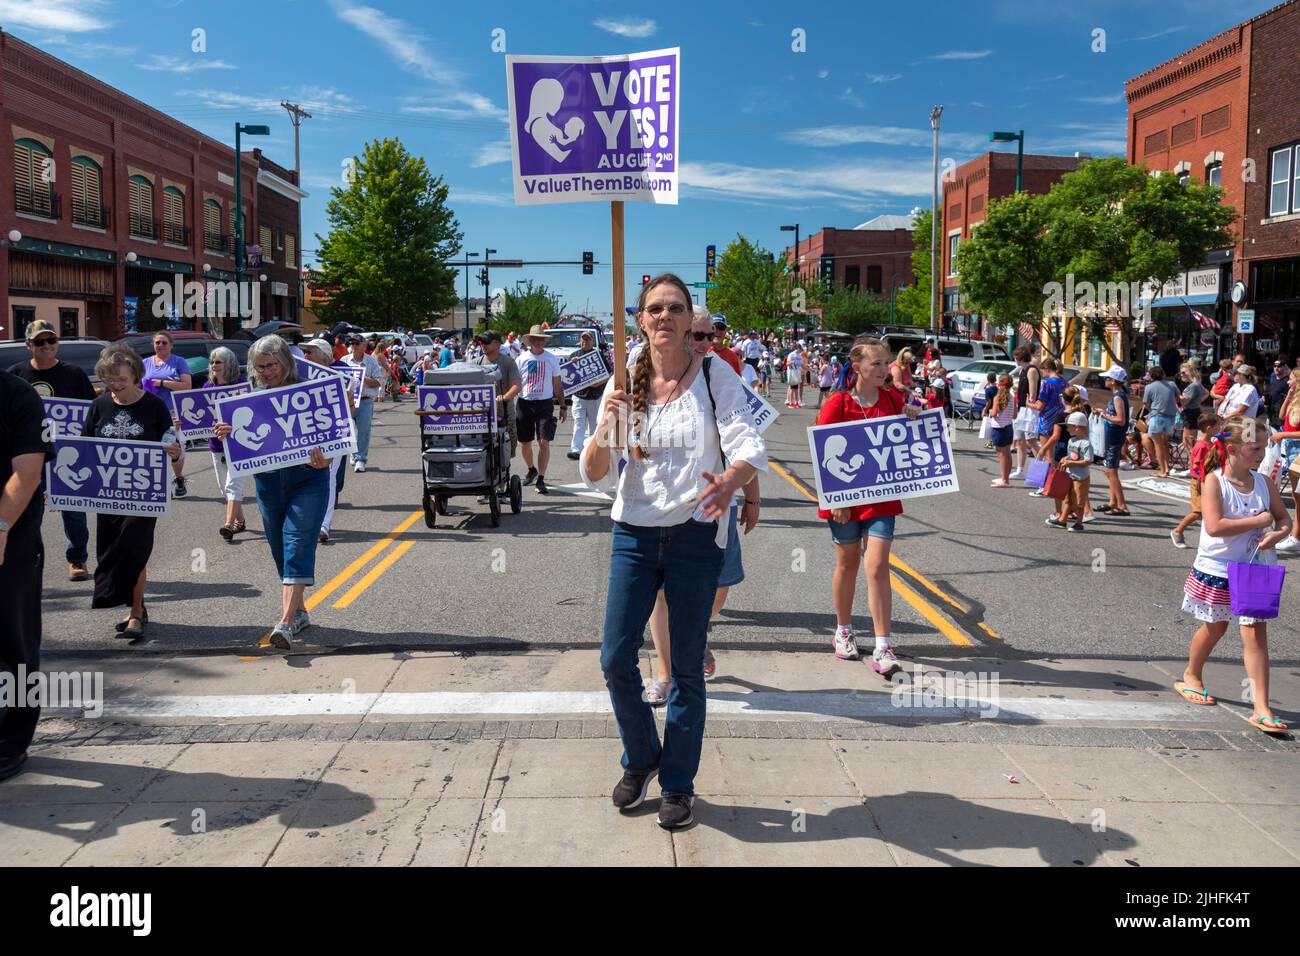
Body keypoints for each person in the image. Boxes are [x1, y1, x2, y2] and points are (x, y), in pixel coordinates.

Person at [581, 273, 766, 831]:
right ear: (641, 318)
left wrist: (731, 482)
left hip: (693, 534)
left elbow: (749, 442)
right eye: (654, 308)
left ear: (690, 320)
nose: (664, 316)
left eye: (675, 308)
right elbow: (593, 474)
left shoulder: (715, 373)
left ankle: (678, 785)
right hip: (633, 534)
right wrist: (603, 429)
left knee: (686, 668)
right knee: (615, 659)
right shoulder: (625, 380)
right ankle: (641, 759)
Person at [644, 313, 764, 701]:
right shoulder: (644, 370)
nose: (704, 341)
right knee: (660, 595)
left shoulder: (721, 372)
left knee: (721, 582)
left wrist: (751, 494)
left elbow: (743, 441)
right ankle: (666, 673)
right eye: (697, 334)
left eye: (709, 335)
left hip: (712, 507)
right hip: (660, 507)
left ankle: (698, 631)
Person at [1174, 417, 1290, 734]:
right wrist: (1258, 523)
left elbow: (1284, 521)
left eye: (1264, 447)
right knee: (1215, 628)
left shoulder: (1264, 482)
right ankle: (1192, 674)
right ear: (1234, 449)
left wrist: (1275, 534)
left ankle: (1261, 708)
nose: (1262, 454)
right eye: (1256, 448)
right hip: (1219, 569)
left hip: (1254, 568)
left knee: (1255, 634)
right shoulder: (1215, 481)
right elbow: (1214, 526)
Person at [214, 335, 330, 650]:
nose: (266, 371)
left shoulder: (309, 392)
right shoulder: (252, 398)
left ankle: (286, 623)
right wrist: (227, 434)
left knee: (296, 544)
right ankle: (301, 612)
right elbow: (238, 446)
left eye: (271, 365)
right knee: (280, 549)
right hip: (268, 483)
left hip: (308, 480)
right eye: (260, 367)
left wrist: (326, 457)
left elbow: (334, 437)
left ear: (285, 361)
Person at [816, 338, 921, 672]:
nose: (884, 369)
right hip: (845, 500)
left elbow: (905, 439)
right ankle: (843, 630)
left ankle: (883, 645)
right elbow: (822, 454)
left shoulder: (893, 398)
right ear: (857, 366)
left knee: (877, 565)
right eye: (876, 363)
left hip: (881, 499)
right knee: (847, 563)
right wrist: (837, 498)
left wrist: (912, 417)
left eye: (886, 362)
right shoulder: (838, 403)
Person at [83, 345, 182, 639]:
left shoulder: (153, 406)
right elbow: (83, 449)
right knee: (112, 551)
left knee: (133, 548)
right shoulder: (98, 406)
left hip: (143, 495)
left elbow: (172, 443)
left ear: (136, 376)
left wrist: (174, 454)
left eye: (121, 380)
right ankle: (135, 603)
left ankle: (136, 613)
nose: (115, 386)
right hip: (109, 494)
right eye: (109, 379)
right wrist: (63, 491)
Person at [7, 319, 96, 581]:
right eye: (40, 341)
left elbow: (90, 413)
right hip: (29, 457)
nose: (47, 345)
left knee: (74, 512)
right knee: (29, 512)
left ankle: (77, 559)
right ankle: (28, 560)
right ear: (28, 345)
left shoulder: (74, 374)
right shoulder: (16, 375)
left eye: (51, 340)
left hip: (68, 454)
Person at [0, 366, 55, 782]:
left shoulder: (17, 396)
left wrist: (1, 527)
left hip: (10, 536)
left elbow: (28, 471)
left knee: (13, 640)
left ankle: (12, 740)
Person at [303, 339, 350, 544]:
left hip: (334, 432)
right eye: (304, 352)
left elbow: (351, 405)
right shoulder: (300, 375)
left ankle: (324, 524)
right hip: (306, 432)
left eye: (310, 352)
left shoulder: (342, 374)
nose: (305, 356)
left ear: (323, 354)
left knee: (328, 475)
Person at [515, 325, 566, 495]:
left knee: (544, 442)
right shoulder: (521, 359)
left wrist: (563, 405)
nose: (538, 342)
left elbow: (557, 383)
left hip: (545, 404)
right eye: (535, 339)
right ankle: (531, 469)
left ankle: (541, 479)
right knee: (524, 443)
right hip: (525, 403)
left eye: (541, 339)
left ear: (544, 341)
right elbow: (515, 383)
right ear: (529, 341)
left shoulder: (551, 358)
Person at [204, 346, 248, 541]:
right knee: (224, 488)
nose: (214, 365)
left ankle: (228, 524)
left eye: (218, 361)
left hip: (239, 445)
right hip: (216, 445)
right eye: (212, 361)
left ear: (228, 363)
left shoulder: (241, 385)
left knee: (233, 485)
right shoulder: (206, 388)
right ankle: (241, 520)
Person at [141, 330, 191, 498]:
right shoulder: (145, 363)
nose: (160, 345)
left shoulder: (179, 362)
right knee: (154, 449)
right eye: (157, 342)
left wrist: (162, 383)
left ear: (171, 345)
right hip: (149, 413)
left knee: (175, 448)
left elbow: (186, 386)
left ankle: (178, 479)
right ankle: (158, 484)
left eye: (164, 342)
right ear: (153, 345)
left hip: (173, 413)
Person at [1171, 413, 1220, 549]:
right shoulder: (1202, 446)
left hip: (1207, 481)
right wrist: (1201, 480)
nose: (1220, 429)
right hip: (1198, 481)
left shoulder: (1210, 444)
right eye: (1218, 426)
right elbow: (1196, 466)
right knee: (1198, 512)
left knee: (1210, 511)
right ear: (1209, 428)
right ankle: (1177, 531)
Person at [1268, 368, 1300, 555]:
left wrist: (1283, 434)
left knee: (1299, 497)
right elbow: (1281, 416)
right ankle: (1296, 537)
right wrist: (1289, 397)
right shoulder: (1294, 399)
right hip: (1290, 447)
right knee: (1297, 497)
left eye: (1291, 380)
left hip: (1297, 447)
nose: (1288, 382)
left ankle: (1296, 537)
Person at [341, 334, 384, 472]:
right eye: (351, 343)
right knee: (348, 431)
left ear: (364, 346)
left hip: (365, 401)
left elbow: (379, 382)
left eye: (356, 344)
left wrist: (363, 377)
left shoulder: (371, 361)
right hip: (347, 400)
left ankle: (360, 459)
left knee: (363, 432)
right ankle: (353, 453)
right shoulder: (344, 360)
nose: (353, 346)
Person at [567, 330, 611, 461]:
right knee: (578, 423)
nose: (584, 342)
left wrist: (598, 383)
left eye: (588, 339)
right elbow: (567, 376)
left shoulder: (599, 355)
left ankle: (592, 450)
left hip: (595, 395)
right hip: (579, 396)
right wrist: (571, 364)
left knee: (594, 424)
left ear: (593, 341)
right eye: (583, 339)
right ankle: (576, 450)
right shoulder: (574, 355)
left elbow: (609, 374)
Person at [1141, 366, 1180, 478]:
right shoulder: (1172, 384)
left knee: (1157, 444)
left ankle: (1162, 471)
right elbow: (1177, 399)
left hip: (1157, 415)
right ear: (1162, 374)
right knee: (1165, 444)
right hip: (1171, 417)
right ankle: (1166, 468)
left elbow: (1145, 404)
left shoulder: (1149, 387)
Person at [1058, 412, 1093, 532]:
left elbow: (1088, 460)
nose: (1067, 429)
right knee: (1067, 499)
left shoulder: (1086, 443)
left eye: (1069, 426)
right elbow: (1071, 456)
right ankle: (1062, 520)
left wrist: (1071, 463)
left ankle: (1079, 523)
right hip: (1070, 475)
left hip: (1081, 477)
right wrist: (1065, 459)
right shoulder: (1071, 440)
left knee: (1079, 502)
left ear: (1077, 427)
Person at [1010, 344, 1041, 478]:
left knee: (1031, 440)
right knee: (1020, 440)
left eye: (1016, 357)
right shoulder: (1023, 370)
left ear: (1020, 357)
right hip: (1022, 408)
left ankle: (1042, 467)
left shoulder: (1031, 370)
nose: (1015, 359)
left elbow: (1033, 391)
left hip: (1029, 410)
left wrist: (1031, 401)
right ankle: (1020, 470)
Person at [1029, 357, 1067, 454]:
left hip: (1047, 420)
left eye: (1042, 372)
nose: (1043, 375)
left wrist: (1028, 404)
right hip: (1060, 418)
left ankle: (1048, 470)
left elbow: (1040, 406)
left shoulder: (1047, 383)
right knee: (1056, 453)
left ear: (1047, 369)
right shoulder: (1064, 382)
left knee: (1047, 455)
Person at [1174, 361, 1208, 471]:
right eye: (1181, 373)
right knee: (1188, 441)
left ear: (1190, 372)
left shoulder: (1193, 386)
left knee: (1189, 441)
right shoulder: (1197, 384)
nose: (1181, 375)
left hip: (1190, 413)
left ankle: (1194, 465)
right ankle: (1193, 464)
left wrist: (1175, 395)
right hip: (1193, 411)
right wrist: (1198, 401)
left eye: (1184, 372)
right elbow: (1206, 393)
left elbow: (1185, 401)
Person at [988, 373, 1015, 487]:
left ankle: (1004, 480)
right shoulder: (1012, 397)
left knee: (1001, 454)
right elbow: (1014, 415)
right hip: (1009, 427)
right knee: (1007, 453)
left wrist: (990, 412)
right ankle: (1006, 478)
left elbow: (994, 413)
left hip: (999, 428)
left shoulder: (997, 397)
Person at [784, 342, 806, 408]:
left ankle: (796, 402)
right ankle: (790, 403)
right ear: (798, 348)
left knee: (796, 388)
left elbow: (802, 365)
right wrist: (791, 362)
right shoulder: (791, 355)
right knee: (792, 388)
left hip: (797, 373)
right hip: (791, 373)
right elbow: (787, 364)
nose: (802, 350)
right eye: (801, 349)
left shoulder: (799, 356)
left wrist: (810, 369)